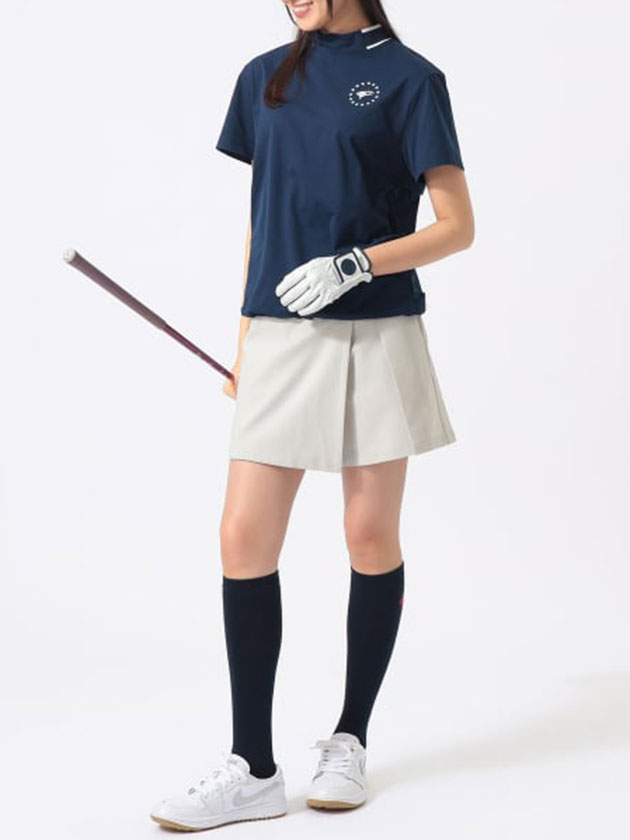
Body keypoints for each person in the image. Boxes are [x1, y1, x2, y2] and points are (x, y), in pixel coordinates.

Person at [150, 0, 474, 830]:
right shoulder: (264, 77)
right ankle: (253, 768)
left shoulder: (411, 79)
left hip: (379, 327)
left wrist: (356, 263)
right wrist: (247, 336)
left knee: (368, 535)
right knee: (242, 537)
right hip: (282, 330)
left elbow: (457, 228)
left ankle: (350, 738)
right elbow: (263, 217)